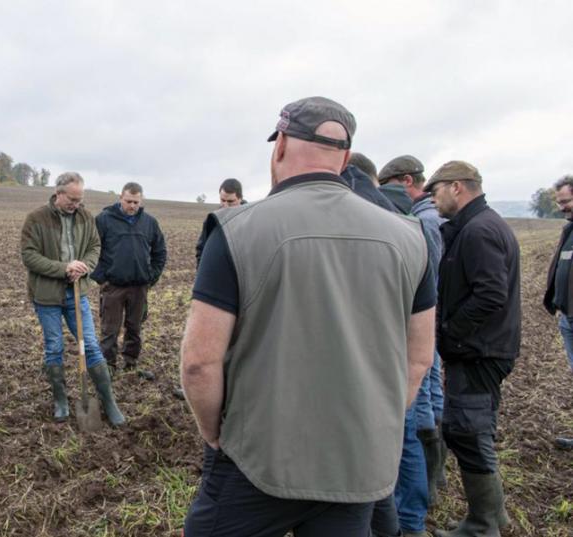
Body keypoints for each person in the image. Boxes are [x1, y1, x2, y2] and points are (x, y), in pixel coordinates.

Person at [181, 96, 436, 536]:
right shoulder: (410, 238)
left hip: (256, 461)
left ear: (280, 145)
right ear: (344, 157)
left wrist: (214, 434)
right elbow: (419, 360)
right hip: (358, 465)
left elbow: (199, 363)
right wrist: (375, 424)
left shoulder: (237, 229)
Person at [426, 161, 520, 537]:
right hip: (481, 347)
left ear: (457, 187)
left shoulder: (479, 230)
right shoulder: (478, 225)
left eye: (436, 191)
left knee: (468, 431)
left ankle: (483, 525)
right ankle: (492, 517)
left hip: (480, 350)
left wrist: (450, 332)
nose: (433, 200)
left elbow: (490, 294)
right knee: (469, 429)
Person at [21, 172, 125, 426]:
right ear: (59, 193)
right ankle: (60, 400)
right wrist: (63, 268)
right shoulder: (36, 219)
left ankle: (109, 402)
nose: (76, 204)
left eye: (80, 200)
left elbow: (94, 248)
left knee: (89, 344)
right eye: (72, 199)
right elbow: (29, 256)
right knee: (54, 346)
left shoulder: (85, 217)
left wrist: (83, 267)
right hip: (47, 295)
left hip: (77, 292)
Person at [379, 155, 448, 507]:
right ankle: (429, 484)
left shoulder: (422, 223)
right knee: (427, 397)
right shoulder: (422, 219)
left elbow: (426, 280)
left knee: (419, 406)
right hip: (423, 323)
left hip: (418, 325)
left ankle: (422, 492)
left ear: (406, 181)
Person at [91, 182, 167, 379]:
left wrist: (151, 277)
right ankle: (108, 365)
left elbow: (160, 252)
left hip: (139, 287)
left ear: (141, 201)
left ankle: (130, 361)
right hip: (113, 286)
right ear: (120, 198)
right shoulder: (104, 220)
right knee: (110, 329)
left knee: (135, 327)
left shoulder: (149, 222)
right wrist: (101, 278)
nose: (132, 206)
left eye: (136, 202)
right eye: (128, 201)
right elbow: (91, 249)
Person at [542, 174, 573, 450]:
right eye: (561, 202)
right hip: (568, 317)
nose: (563, 207)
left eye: (567, 201)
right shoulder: (569, 230)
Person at [195, 178, 246, 266]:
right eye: (222, 200)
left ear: (240, 198)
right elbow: (201, 250)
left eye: (230, 201)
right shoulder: (212, 221)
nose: (225, 205)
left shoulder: (250, 219)